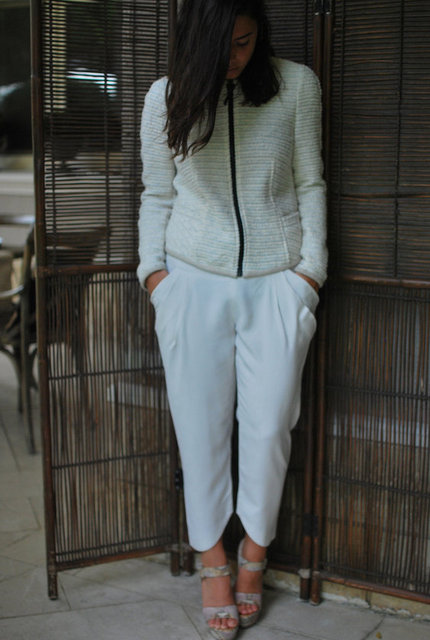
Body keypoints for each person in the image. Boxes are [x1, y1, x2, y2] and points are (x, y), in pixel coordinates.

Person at [137, 1, 327, 637]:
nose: (233, 58)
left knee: (270, 427)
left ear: (258, 35)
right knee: (199, 429)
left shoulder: (296, 86)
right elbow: (157, 193)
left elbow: (310, 182)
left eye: (244, 42)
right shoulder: (166, 97)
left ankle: (255, 550)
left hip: (278, 280)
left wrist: (309, 274)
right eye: (222, 46)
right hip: (191, 281)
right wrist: (155, 276)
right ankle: (212, 557)